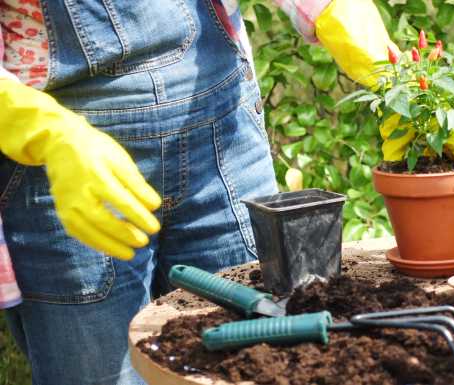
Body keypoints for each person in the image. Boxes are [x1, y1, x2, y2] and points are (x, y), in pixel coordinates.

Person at [0, 0, 394, 384]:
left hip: (223, 135)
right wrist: (43, 131)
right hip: (68, 169)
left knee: (260, 359)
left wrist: (330, 7)